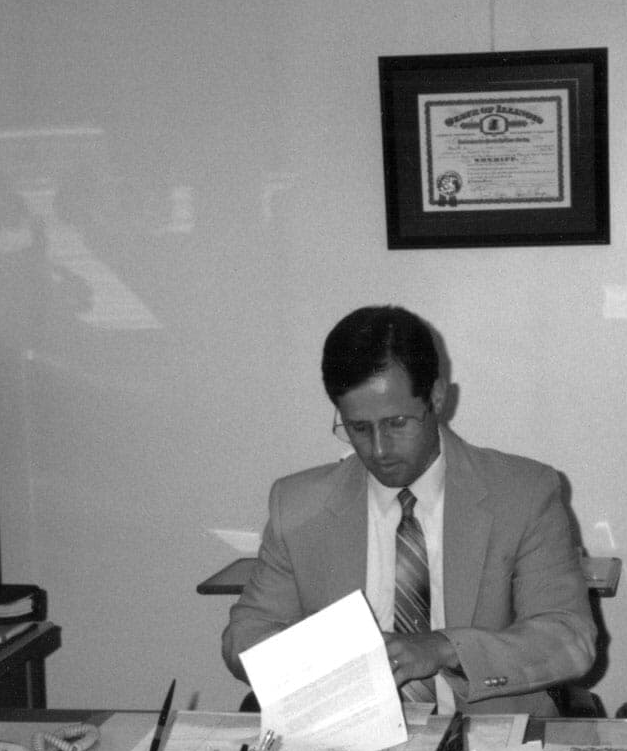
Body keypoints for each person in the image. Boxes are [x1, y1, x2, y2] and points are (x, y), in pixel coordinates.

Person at [222, 305, 596, 717]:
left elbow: (570, 639)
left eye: (397, 423)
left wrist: (443, 648)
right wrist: (317, 660)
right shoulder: (297, 504)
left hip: (489, 744)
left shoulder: (523, 493)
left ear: (437, 396)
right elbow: (244, 637)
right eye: (359, 428)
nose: (379, 450)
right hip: (349, 742)